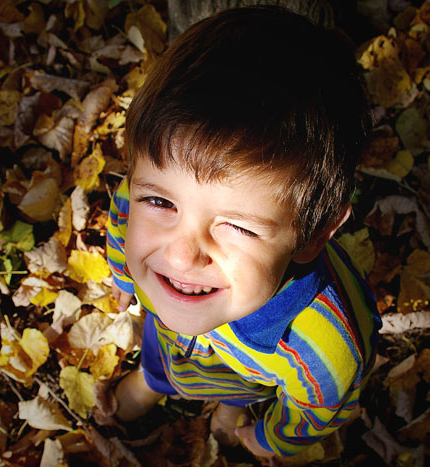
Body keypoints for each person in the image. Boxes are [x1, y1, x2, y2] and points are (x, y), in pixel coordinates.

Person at [106, 5, 382, 459]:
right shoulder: (138, 204)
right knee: (162, 351)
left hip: (246, 376)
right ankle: (154, 380)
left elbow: (317, 409)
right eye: (161, 203)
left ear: (314, 235)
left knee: (236, 389)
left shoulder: (325, 349)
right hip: (168, 336)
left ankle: (231, 409)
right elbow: (122, 220)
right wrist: (122, 275)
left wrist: (272, 438)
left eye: (237, 226)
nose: (181, 256)